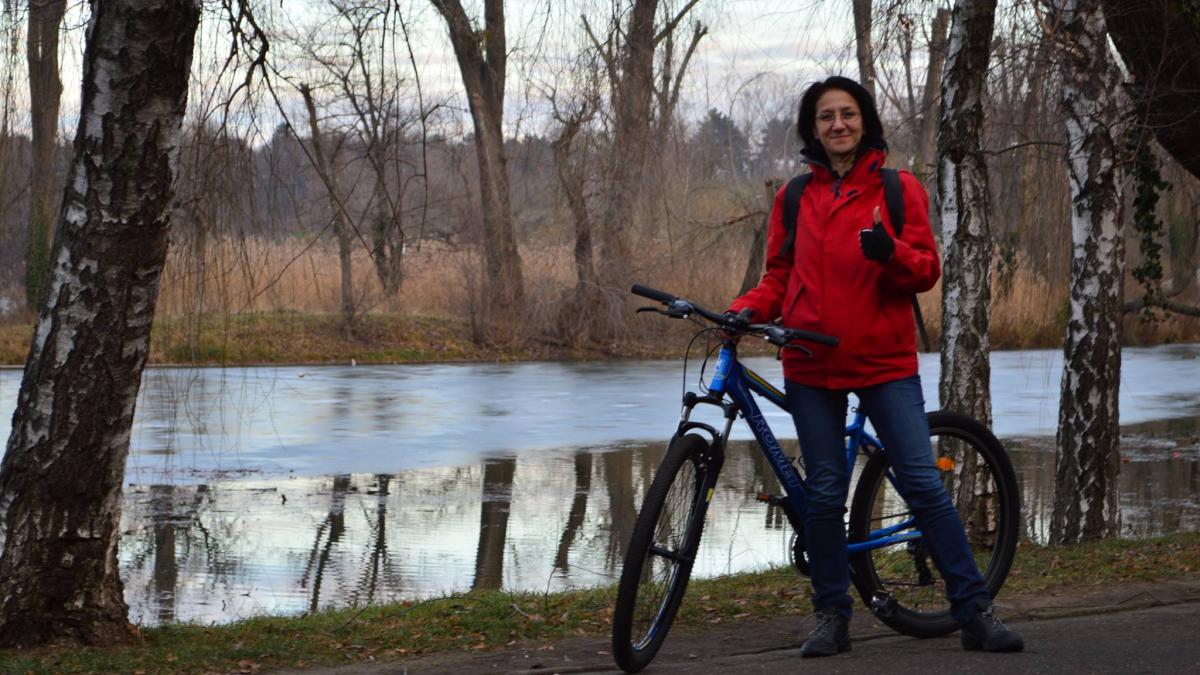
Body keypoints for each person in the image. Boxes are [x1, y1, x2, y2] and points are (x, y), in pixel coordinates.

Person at [725, 75, 1024, 657]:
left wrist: (891, 255)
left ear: (865, 121)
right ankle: (831, 617)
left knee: (920, 483)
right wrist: (744, 310)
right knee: (825, 495)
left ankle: (975, 612)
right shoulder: (793, 198)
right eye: (826, 117)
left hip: (884, 363)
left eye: (848, 114)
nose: (838, 125)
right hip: (811, 364)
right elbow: (778, 279)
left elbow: (925, 269)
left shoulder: (897, 188)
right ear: (812, 129)